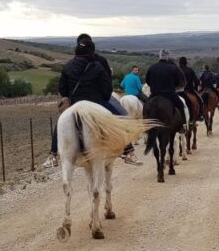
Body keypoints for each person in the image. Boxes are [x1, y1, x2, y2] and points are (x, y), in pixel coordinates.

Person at [43, 34, 142, 168]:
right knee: (120, 116)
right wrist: (103, 97)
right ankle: (128, 151)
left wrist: (69, 98)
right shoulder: (100, 61)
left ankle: (53, 155)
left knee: (61, 121)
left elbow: (62, 88)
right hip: (98, 100)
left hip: (75, 102)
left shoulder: (69, 64)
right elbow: (107, 84)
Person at [145, 50, 188, 133]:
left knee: (146, 106)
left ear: (159, 56)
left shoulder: (152, 67)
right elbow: (178, 82)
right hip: (169, 94)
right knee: (181, 105)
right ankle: (182, 126)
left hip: (155, 94)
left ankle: (146, 125)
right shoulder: (172, 68)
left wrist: (155, 87)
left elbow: (147, 81)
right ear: (168, 56)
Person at [179, 56, 204, 121]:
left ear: (179, 63)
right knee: (200, 100)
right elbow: (196, 81)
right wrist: (196, 88)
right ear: (186, 63)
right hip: (190, 89)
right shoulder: (190, 70)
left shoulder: (177, 70)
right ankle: (201, 115)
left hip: (179, 91)